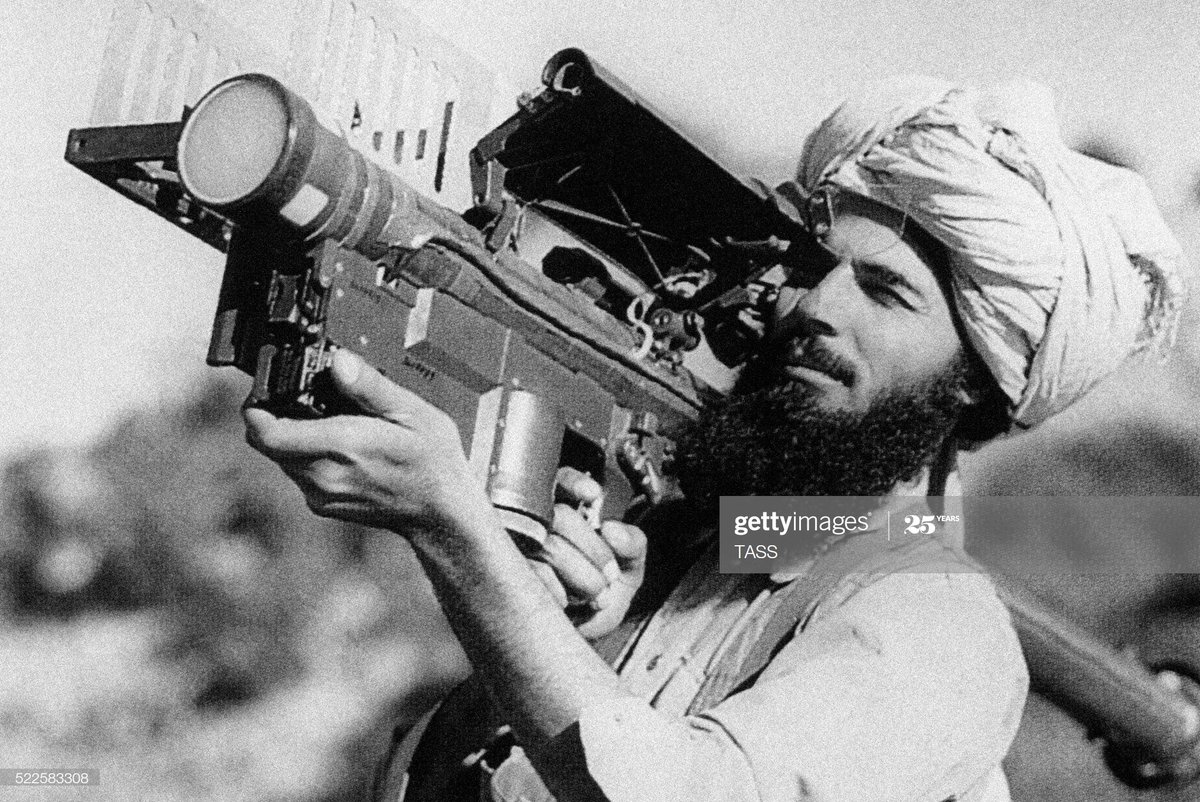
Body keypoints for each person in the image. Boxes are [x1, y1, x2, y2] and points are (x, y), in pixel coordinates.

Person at [242, 76, 1185, 802]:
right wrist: (554, 629)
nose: (814, 306)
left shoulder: (941, 627)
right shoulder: (713, 553)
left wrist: (460, 539)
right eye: (819, 267)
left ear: (974, 388)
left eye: (885, 292)